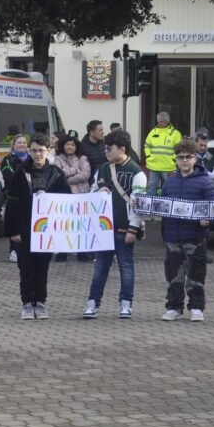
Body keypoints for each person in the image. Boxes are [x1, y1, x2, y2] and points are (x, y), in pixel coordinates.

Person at [5, 133, 71, 321]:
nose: (37, 154)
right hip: (25, 228)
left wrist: (48, 197)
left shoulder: (56, 173)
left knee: (42, 267)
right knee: (25, 267)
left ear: (48, 151)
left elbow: (66, 201)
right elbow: (12, 201)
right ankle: (27, 303)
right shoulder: (21, 172)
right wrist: (14, 230)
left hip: (47, 230)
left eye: (41, 150)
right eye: (33, 150)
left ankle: (40, 302)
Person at [83, 130, 146, 319]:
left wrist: (133, 228)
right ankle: (93, 302)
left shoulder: (136, 172)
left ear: (122, 149)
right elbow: (92, 191)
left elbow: (139, 203)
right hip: (104, 229)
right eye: (105, 148)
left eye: (110, 148)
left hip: (124, 229)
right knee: (100, 266)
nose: (106, 151)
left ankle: (126, 303)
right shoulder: (102, 168)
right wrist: (99, 190)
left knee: (126, 266)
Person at [160, 139, 214, 322]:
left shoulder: (204, 182)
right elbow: (163, 208)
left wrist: (207, 220)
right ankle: (174, 307)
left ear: (195, 159)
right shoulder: (169, 183)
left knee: (195, 273)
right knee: (174, 274)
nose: (184, 160)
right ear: (175, 160)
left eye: (188, 157)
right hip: (173, 235)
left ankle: (196, 307)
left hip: (195, 236)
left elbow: (213, 207)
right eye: (180, 157)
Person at [53, 133, 92, 263]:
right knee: (65, 225)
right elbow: (58, 174)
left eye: (72, 144)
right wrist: (75, 170)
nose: (70, 147)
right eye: (67, 144)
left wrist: (68, 179)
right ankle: (62, 252)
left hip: (81, 195)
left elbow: (85, 174)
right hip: (64, 195)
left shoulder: (83, 158)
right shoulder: (57, 159)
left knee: (80, 225)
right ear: (62, 146)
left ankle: (83, 252)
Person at [0, 134, 29, 263]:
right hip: (14, 198)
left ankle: (28, 249)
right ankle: (14, 251)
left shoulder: (32, 159)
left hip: (29, 198)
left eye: (24, 142)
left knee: (28, 225)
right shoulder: (7, 159)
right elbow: (9, 177)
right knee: (15, 224)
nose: (22, 144)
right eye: (19, 143)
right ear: (14, 145)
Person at [143, 112, 182, 195]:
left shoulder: (175, 134)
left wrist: (174, 159)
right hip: (153, 165)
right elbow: (147, 146)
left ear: (167, 121)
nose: (160, 123)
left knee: (169, 188)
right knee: (151, 187)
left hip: (168, 166)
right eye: (159, 121)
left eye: (162, 121)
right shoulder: (153, 132)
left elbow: (179, 149)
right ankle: (149, 205)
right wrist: (148, 156)